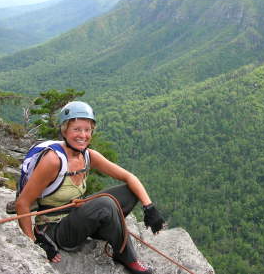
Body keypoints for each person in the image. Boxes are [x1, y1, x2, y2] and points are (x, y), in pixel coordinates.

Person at [15, 101, 165, 274]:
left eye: (87, 130)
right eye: (76, 129)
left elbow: (128, 177)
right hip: (55, 229)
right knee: (106, 204)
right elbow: (22, 203)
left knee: (129, 192)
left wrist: (149, 207)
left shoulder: (88, 156)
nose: (83, 135)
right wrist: (34, 244)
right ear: (64, 130)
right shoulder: (53, 160)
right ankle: (128, 259)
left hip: (74, 217)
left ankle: (108, 230)